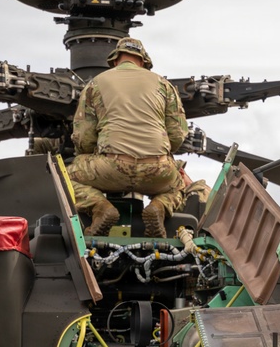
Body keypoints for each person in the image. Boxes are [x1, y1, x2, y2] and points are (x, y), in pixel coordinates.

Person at [67, 37, 189, 238]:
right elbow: (177, 135)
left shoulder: (96, 84)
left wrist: (93, 155)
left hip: (112, 168)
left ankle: (101, 208)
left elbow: (84, 138)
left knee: (66, 177)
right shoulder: (164, 85)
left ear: (115, 60)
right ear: (142, 61)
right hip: (157, 169)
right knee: (179, 185)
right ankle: (159, 207)